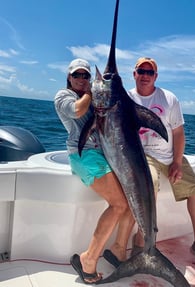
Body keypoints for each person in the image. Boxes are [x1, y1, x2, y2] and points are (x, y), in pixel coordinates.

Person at [126, 57, 195, 267]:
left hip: (169, 155)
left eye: (150, 73)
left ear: (156, 77)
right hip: (142, 156)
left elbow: (178, 133)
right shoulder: (126, 99)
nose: (145, 76)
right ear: (134, 74)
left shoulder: (169, 98)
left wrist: (176, 162)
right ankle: (141, 243)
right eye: (141, 71)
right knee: (149, 188)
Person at [54, 58, 133, 283]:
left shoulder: (96, 99)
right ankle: (88, 259)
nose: (81, 79)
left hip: (103, 155)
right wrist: (93, 92)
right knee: (119, 205)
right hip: (84, 156)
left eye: (85, 75)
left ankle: (117, 249)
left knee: (127, 201)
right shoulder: (64, 96)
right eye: (77, 75)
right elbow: (77, 111)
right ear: (69, 77)